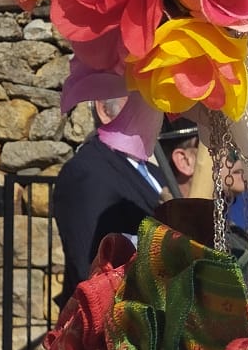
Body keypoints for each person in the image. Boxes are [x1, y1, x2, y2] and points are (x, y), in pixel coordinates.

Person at [53, 101, 202, 292]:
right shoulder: (88, 171)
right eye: (137, 95)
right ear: (104, 109)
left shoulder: (153, 171)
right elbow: (93, 270)